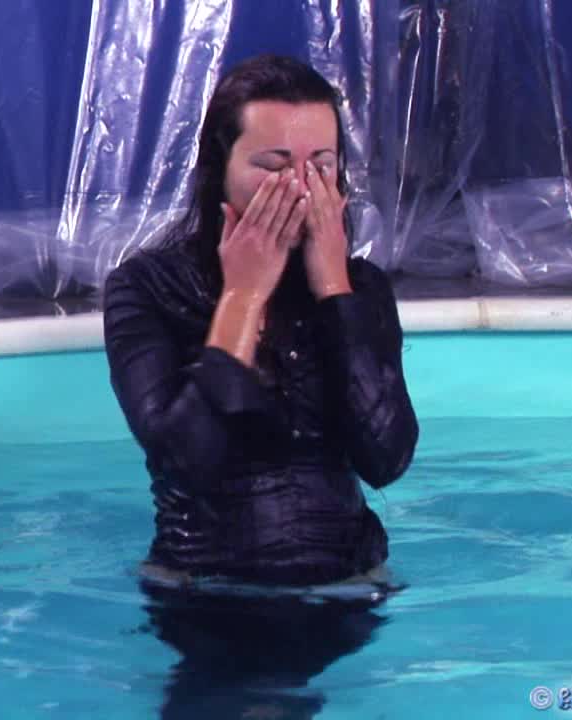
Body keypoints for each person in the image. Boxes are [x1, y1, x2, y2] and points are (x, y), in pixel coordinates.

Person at [103, 54, 420, 716]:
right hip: (209, 596)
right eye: (274, 167)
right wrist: (243, 299)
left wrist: (334, 289)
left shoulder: (362, 289)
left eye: (321, 166)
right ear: (217, 169)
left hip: (350, 589)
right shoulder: (146, 288)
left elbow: (386, 458)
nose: (300, 188)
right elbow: (185, 458)